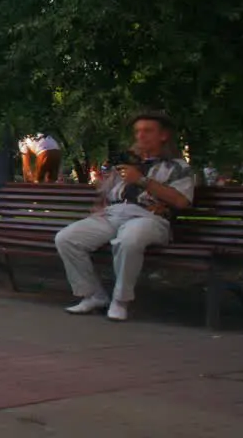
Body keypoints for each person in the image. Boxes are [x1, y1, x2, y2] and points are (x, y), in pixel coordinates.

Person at [54, 111, 195, 322]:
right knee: (66, 238)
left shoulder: (178, 167)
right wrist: (101, 202)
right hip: (115, 214)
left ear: (163, 135)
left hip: (150, 218)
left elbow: (182, 201)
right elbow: (104, 193)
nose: (140, 136)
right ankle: (93, 295)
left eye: (147, 131)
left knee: (129, 239)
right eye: (137, 132)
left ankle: (120, 301)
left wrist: (142, 180)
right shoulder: (127, 165)